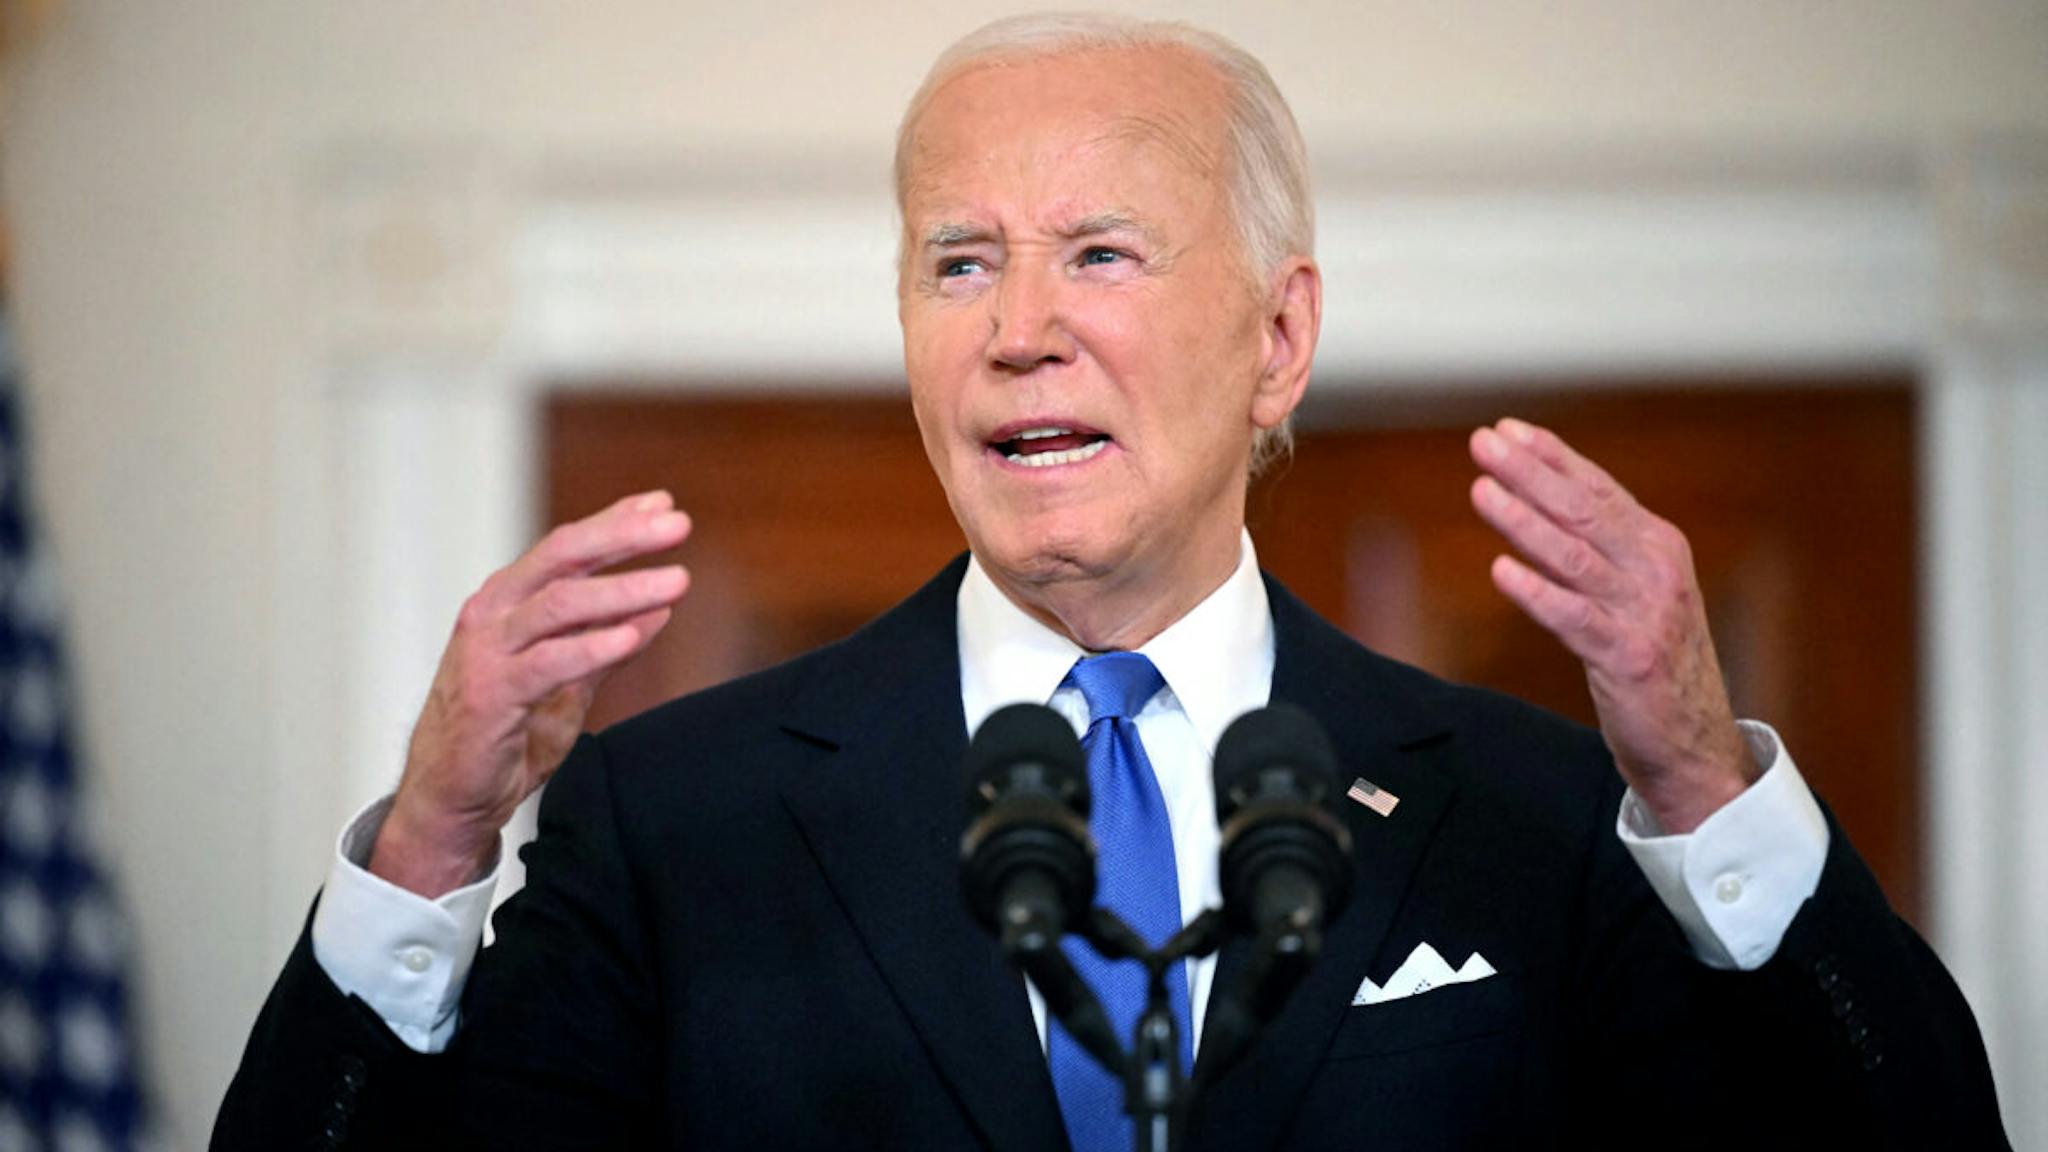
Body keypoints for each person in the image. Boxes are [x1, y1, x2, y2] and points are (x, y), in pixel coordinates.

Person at [214, 13, 2007, 1151]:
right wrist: (431, 849)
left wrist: (1703, 786)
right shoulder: (668, 823)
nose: (1018, 333)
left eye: (1099, 252)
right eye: (959, 262)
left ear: (1280, 338)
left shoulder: (1534, 818)